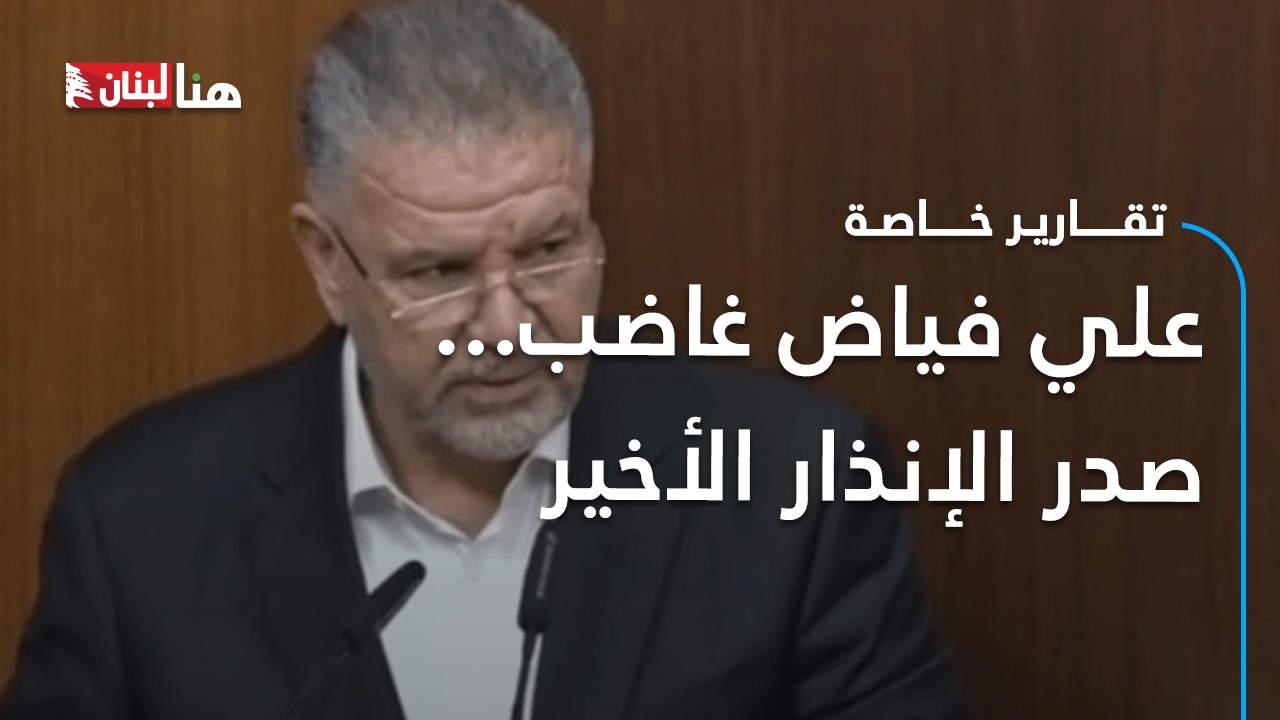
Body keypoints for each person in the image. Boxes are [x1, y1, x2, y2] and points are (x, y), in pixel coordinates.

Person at [1, 1, 968, 717]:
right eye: (439, 271)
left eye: (548, 250)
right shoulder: (140, 526)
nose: (507, 325)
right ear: (328, 262)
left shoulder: (796, 488)